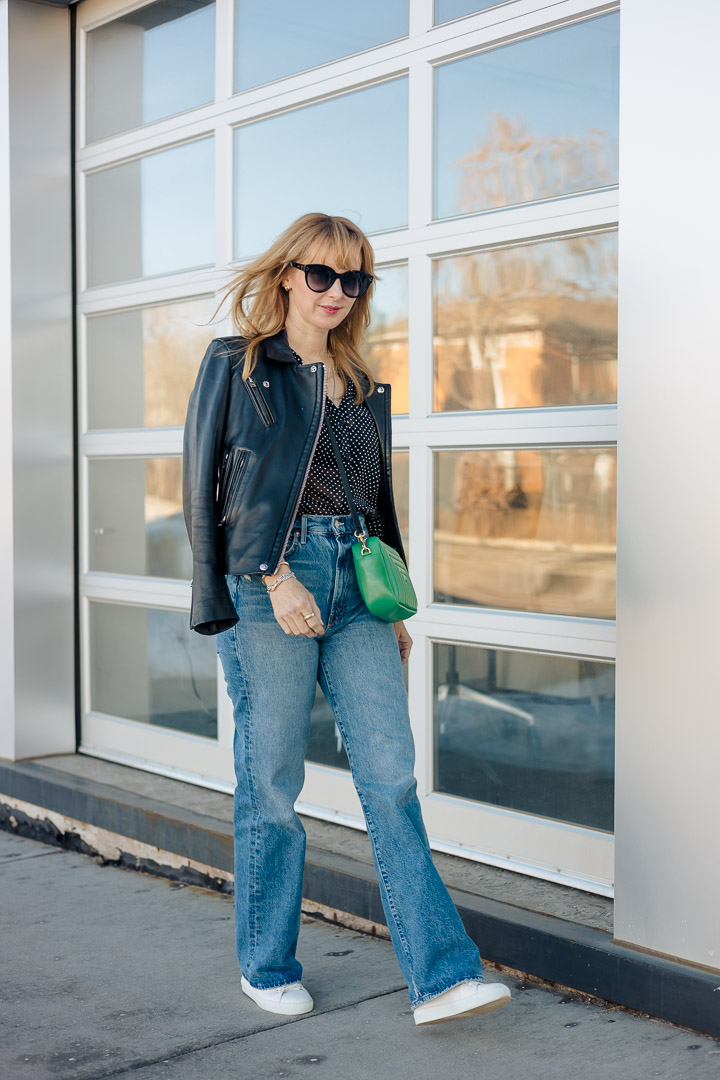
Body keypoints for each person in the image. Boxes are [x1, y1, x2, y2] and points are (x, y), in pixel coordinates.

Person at [182, 212, 512, 1026]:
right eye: (321, 274)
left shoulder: (362, 381)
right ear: (287, 273)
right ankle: (266, 964)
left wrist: (390, 601)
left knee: (391, 777)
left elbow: (372, 502)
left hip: (358, 583)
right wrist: (272, 574)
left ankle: (441, 977)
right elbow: (206, 496)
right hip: (273, 581)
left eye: (354, 279)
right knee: (271, 781)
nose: (337, 291)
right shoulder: (239, 365)